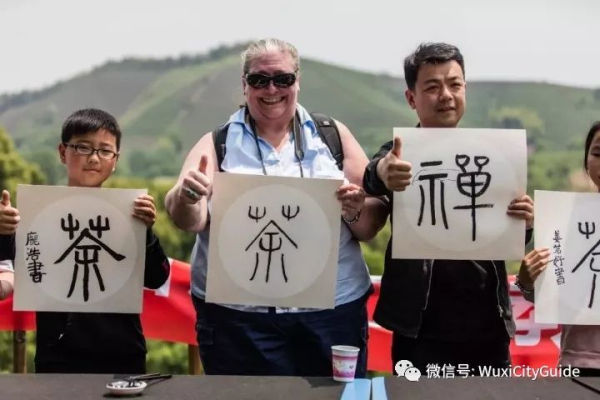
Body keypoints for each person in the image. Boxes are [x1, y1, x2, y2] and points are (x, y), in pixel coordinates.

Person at [165, 38, 387, 377]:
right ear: (244, 85)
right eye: (259, 80)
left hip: (332, 312)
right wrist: (188, 196)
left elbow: (369, 223)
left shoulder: (331, 136)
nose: (272, 89)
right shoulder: (219, 142)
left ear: (298, 80)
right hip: (238, 320)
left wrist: (354, 209)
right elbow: (186, 218)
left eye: (282, 79)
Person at [362, 42, 534, 373]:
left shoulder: (493, 156)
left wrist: (524, 220)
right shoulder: (400, 151)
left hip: (488, 324)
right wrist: (386, 171)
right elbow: (375, 175)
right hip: (420, 329)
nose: (446, 95)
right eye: (432, 86)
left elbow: (515, 237)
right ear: (411, 98)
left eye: (454, 84)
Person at [0, 108, 170, 374]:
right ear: (62, 152)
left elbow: (157, 277)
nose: (93, 158)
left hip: (123, 354)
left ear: (115, 160)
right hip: (57, 356)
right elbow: (11, 268)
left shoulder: (130, 214)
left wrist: (146, 232)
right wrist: (4, 232)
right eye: (82, 147)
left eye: (105, 150)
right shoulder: (37, 216)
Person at [517, 121, 600, 377]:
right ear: (586, 162)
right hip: (579, 361)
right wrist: (528, 281)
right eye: (598, 153)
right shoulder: (564, 219)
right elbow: (549, 297)